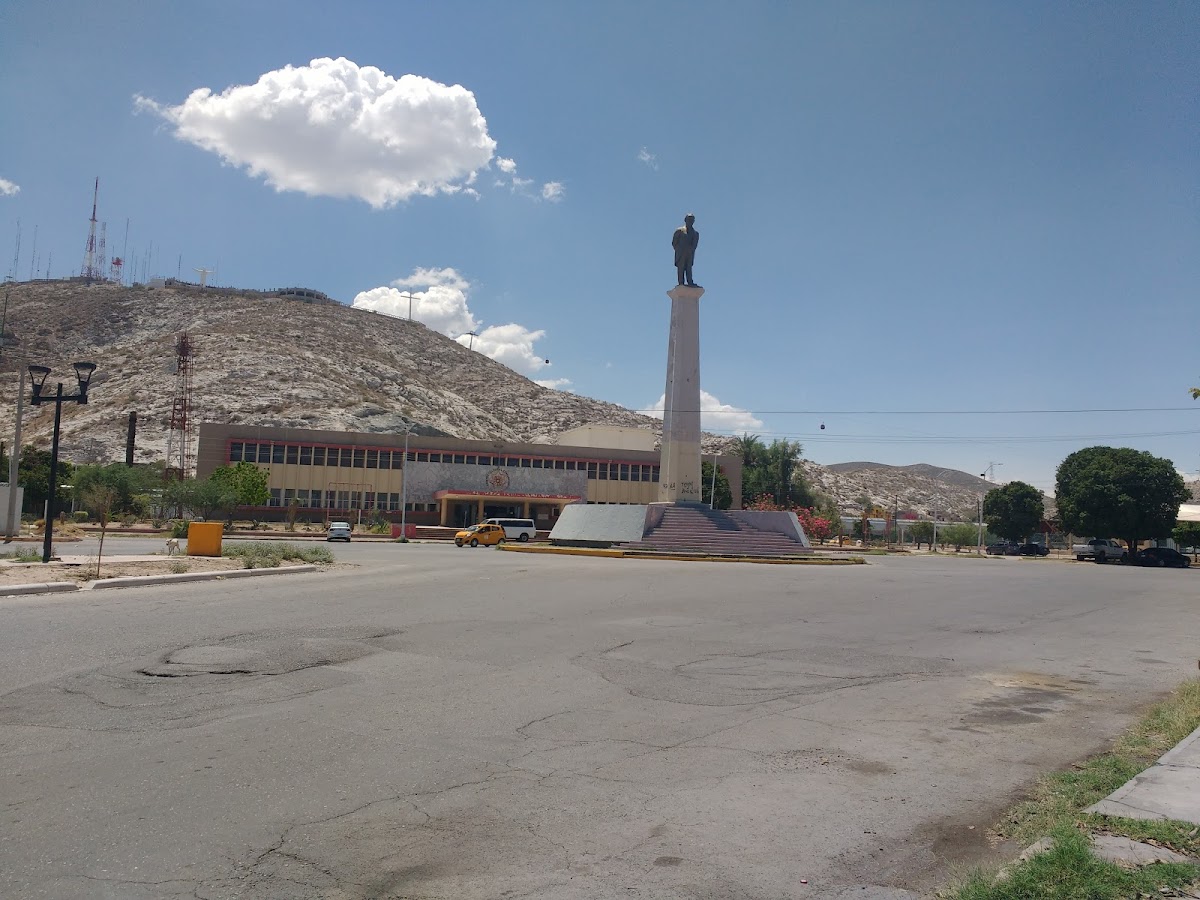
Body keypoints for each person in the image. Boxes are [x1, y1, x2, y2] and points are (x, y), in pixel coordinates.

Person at [671, 213, 699, 286]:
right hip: (681, 253)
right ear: (685, 220)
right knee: (681, 268)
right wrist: (679, 249)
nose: (690, 221)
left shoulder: (695, 233)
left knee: (689, 268)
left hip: (690, 254)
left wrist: (690, 250)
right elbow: (674, 242)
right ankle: (681, 282)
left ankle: (690, 282)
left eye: (692, 220)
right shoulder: (679, 231)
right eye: (689, 219)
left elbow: (695, 245)